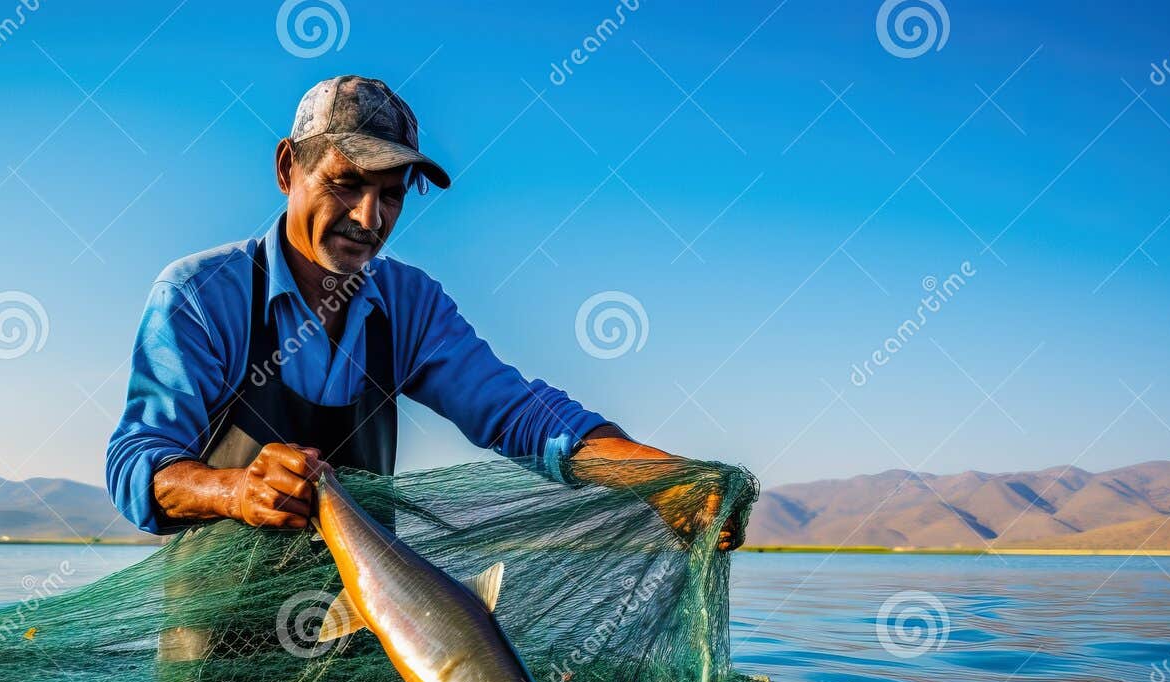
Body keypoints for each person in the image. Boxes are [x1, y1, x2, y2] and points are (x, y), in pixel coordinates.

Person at [106, 75, 739, 553]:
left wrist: (659, 475)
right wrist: (234, 489)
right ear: (286, 168)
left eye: (391, 195)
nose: (369, 218)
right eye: (347, 183)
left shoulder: (410, 307)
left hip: (360, 638)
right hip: (210, 663)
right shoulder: (200, 295)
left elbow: (522, 417)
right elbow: (137, 463)